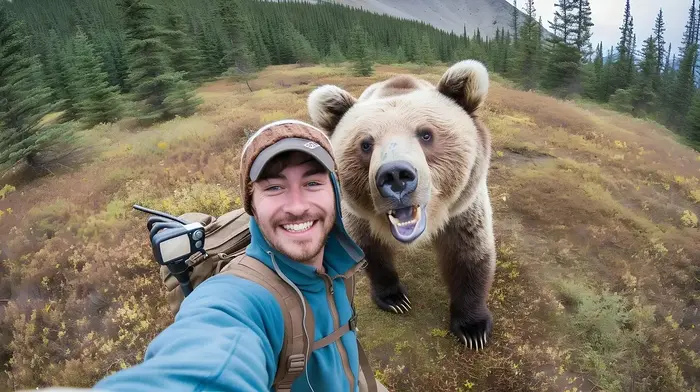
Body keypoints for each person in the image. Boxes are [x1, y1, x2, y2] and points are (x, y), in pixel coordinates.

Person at [25, 120, 388, 392]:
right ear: (252, 204)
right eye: (274, 187)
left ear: (334, 194)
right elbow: (208, 362)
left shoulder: (339, 263)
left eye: (312, 183)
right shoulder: (239, 300)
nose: (297, 206)